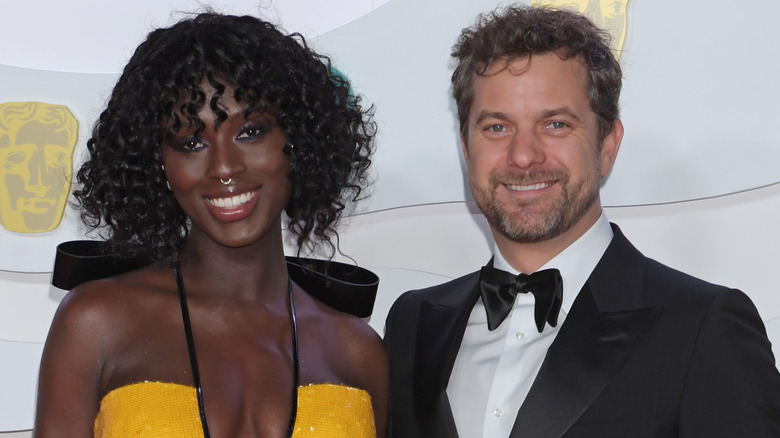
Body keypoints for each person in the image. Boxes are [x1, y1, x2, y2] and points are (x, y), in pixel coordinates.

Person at [384, 5, 780, 437]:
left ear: (607, 144)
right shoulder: (413, 323)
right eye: (497, 128)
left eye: (555, 124)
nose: (523, 156)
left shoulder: (704, 328)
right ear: (465, 147)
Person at [34, 12, 387, 438]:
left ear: (298, 142)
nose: (223, 167)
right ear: (159, 165)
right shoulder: (95, 323)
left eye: (251, 132)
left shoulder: (358, 351)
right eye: (190, 142)